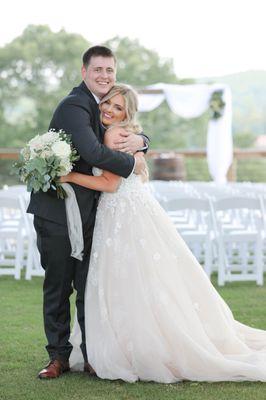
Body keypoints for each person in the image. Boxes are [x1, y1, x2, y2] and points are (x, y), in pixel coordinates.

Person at [62, 83, 266, 383]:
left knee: (125, 279)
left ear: (127, 113)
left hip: (121, 211)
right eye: (107, 103)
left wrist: (69, 176)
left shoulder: (112, 134)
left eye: (118, 107)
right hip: (130, 210)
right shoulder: (126, 134)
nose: (109, 109)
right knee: (145, 280)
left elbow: (110, 183)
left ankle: (134, 348)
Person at [27, 46, 149, 379]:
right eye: (98, 70)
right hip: (57, 210)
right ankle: (58, 357)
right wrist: (133, 162)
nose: (104, 76)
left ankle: (92, 355)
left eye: (110, 70)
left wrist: (143, 142)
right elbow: (94, 152)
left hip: (89, 212)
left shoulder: (99, 106)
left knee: (87, 287)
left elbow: (119, 127)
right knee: (58, 285)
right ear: (84, 72)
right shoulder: (74, 105)